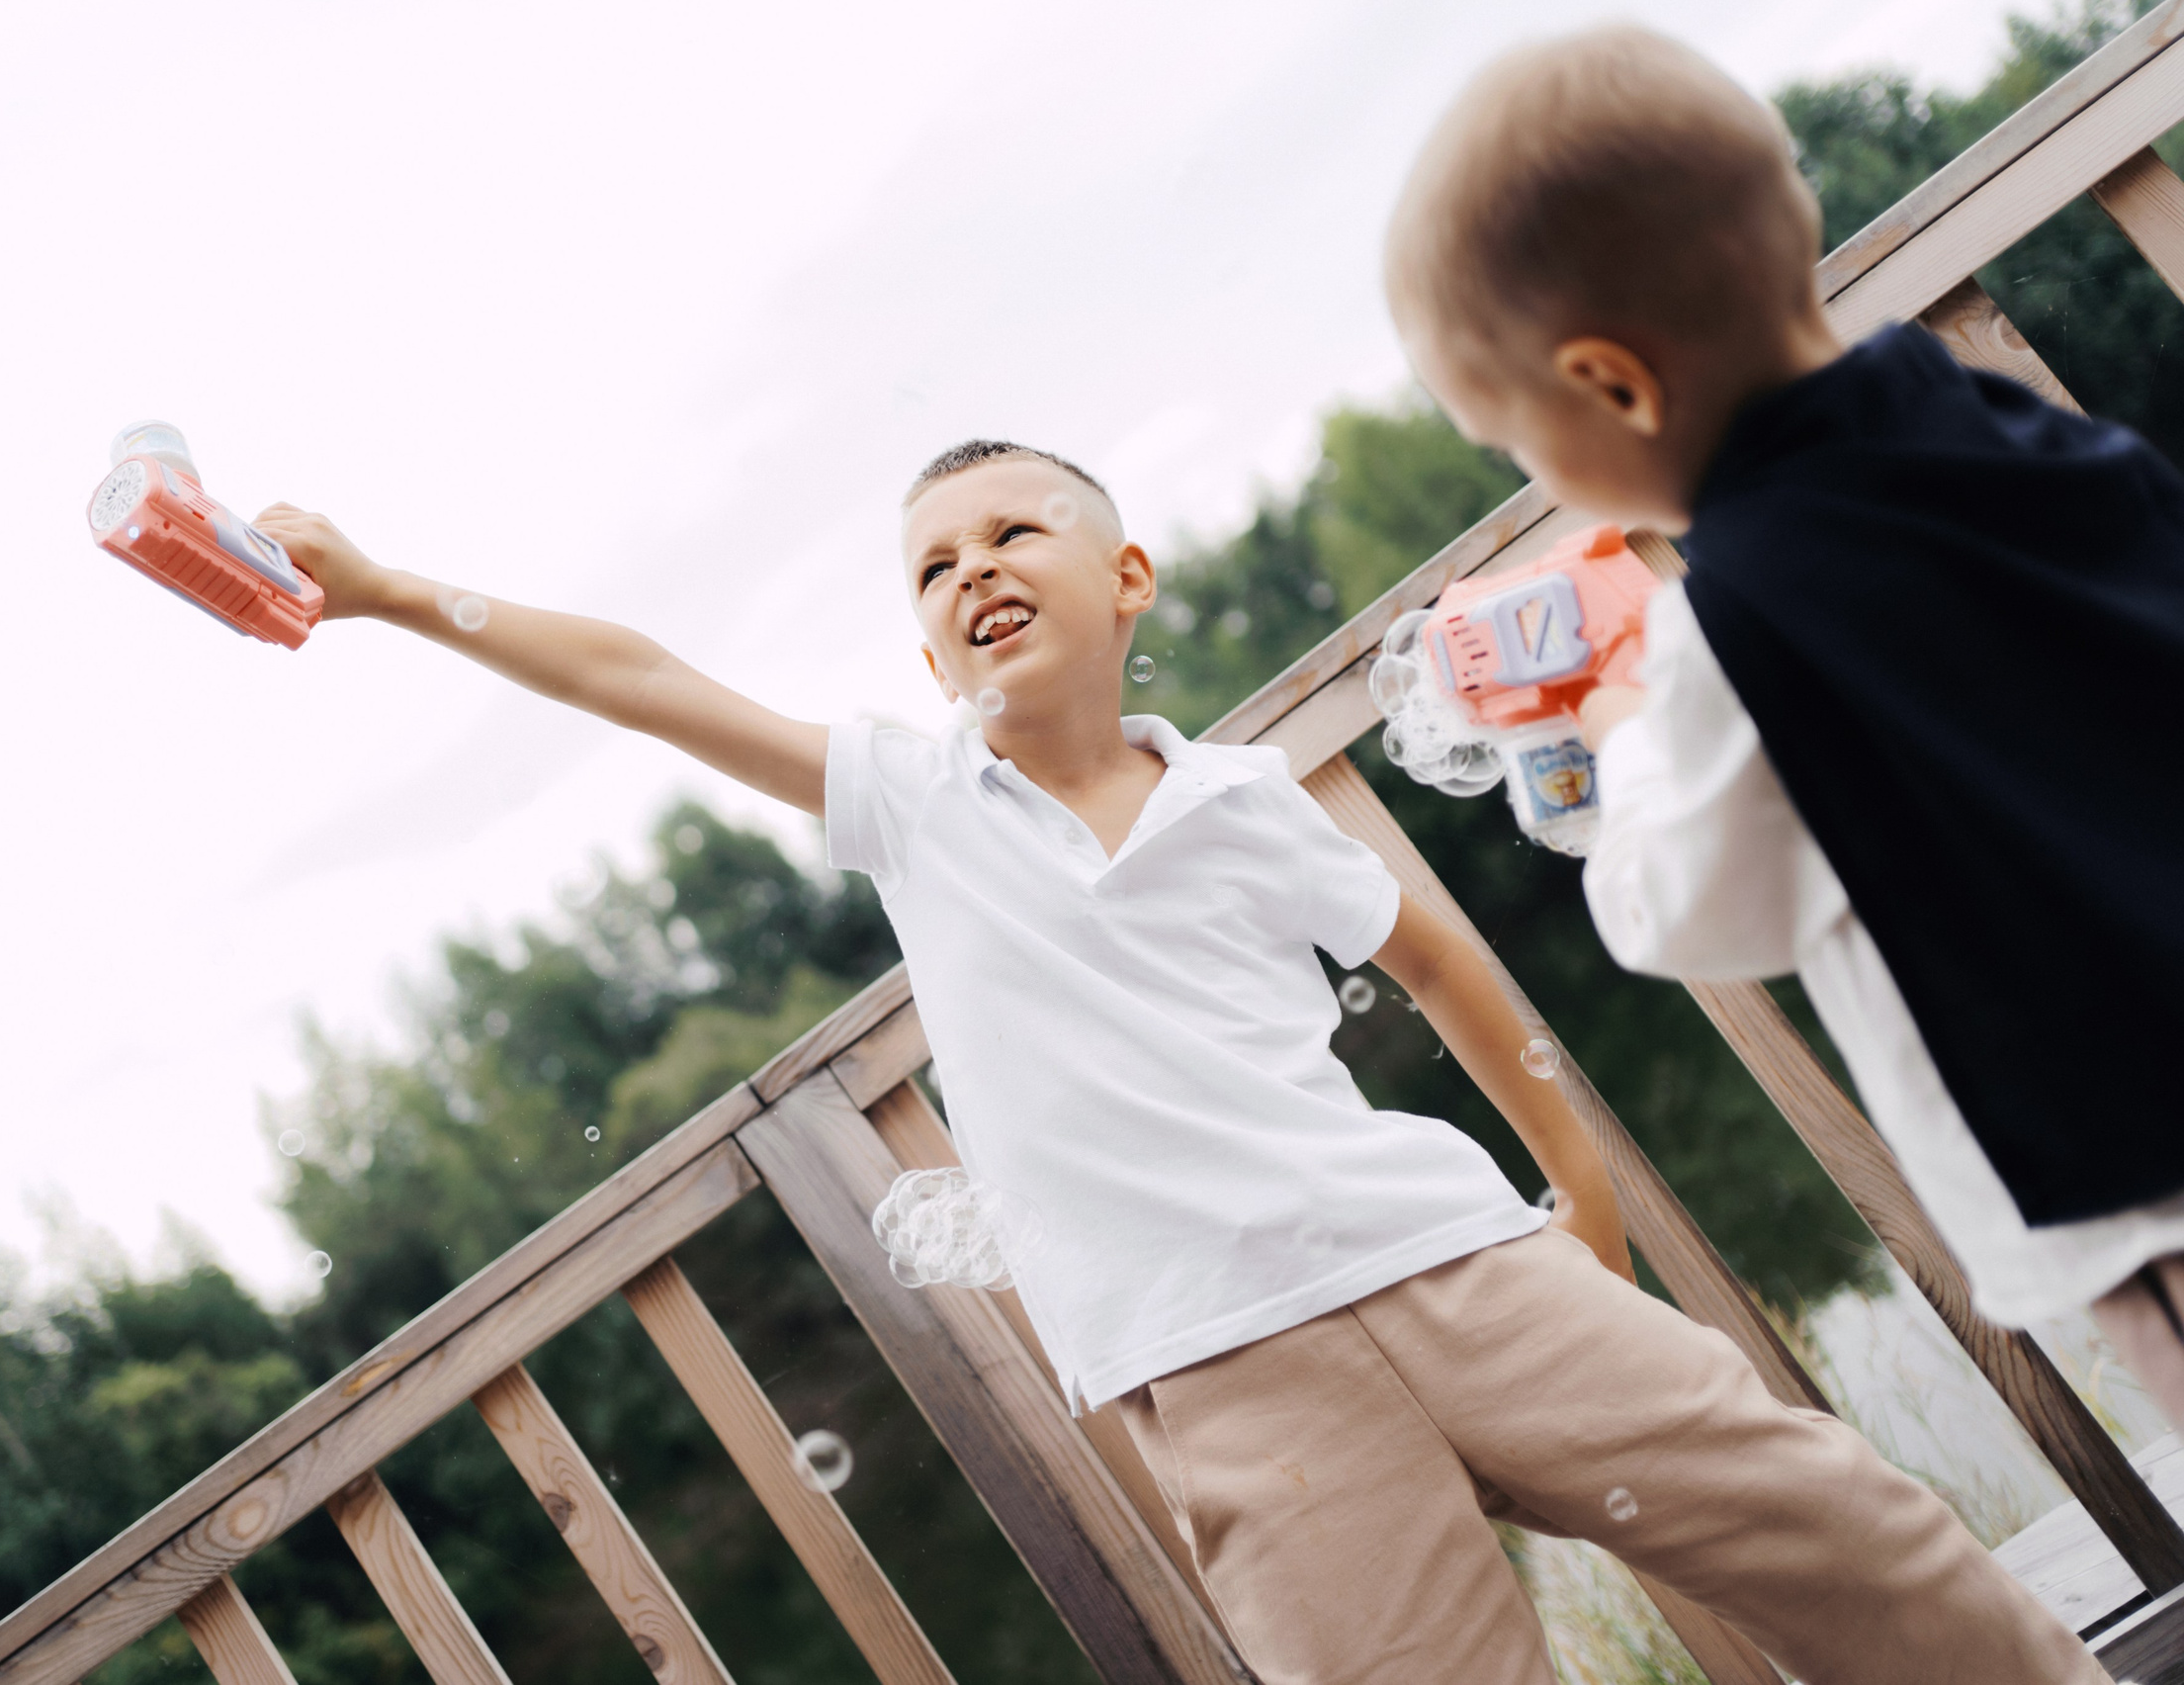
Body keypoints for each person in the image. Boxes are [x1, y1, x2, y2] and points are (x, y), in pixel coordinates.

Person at [254, 438, 2096, 1682]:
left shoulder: (1240, 803)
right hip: (1228, 1391)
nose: (975, 569)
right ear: (920, 639)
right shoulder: (910, 804)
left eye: (1014, 533)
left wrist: (1584, 1217)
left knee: (1841, 1535)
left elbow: (1455, 973)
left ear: (1123, 577)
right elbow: (637, 677)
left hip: (1452, 1265)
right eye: (935, 565)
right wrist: (397, 592)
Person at [1386, 17, 2184, 1448]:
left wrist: (1610, 728)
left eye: (1516, 436)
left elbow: (1687, 906)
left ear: (1615, 387)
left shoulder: (1736, 631)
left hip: (2140, 1169)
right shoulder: (2019, 439)